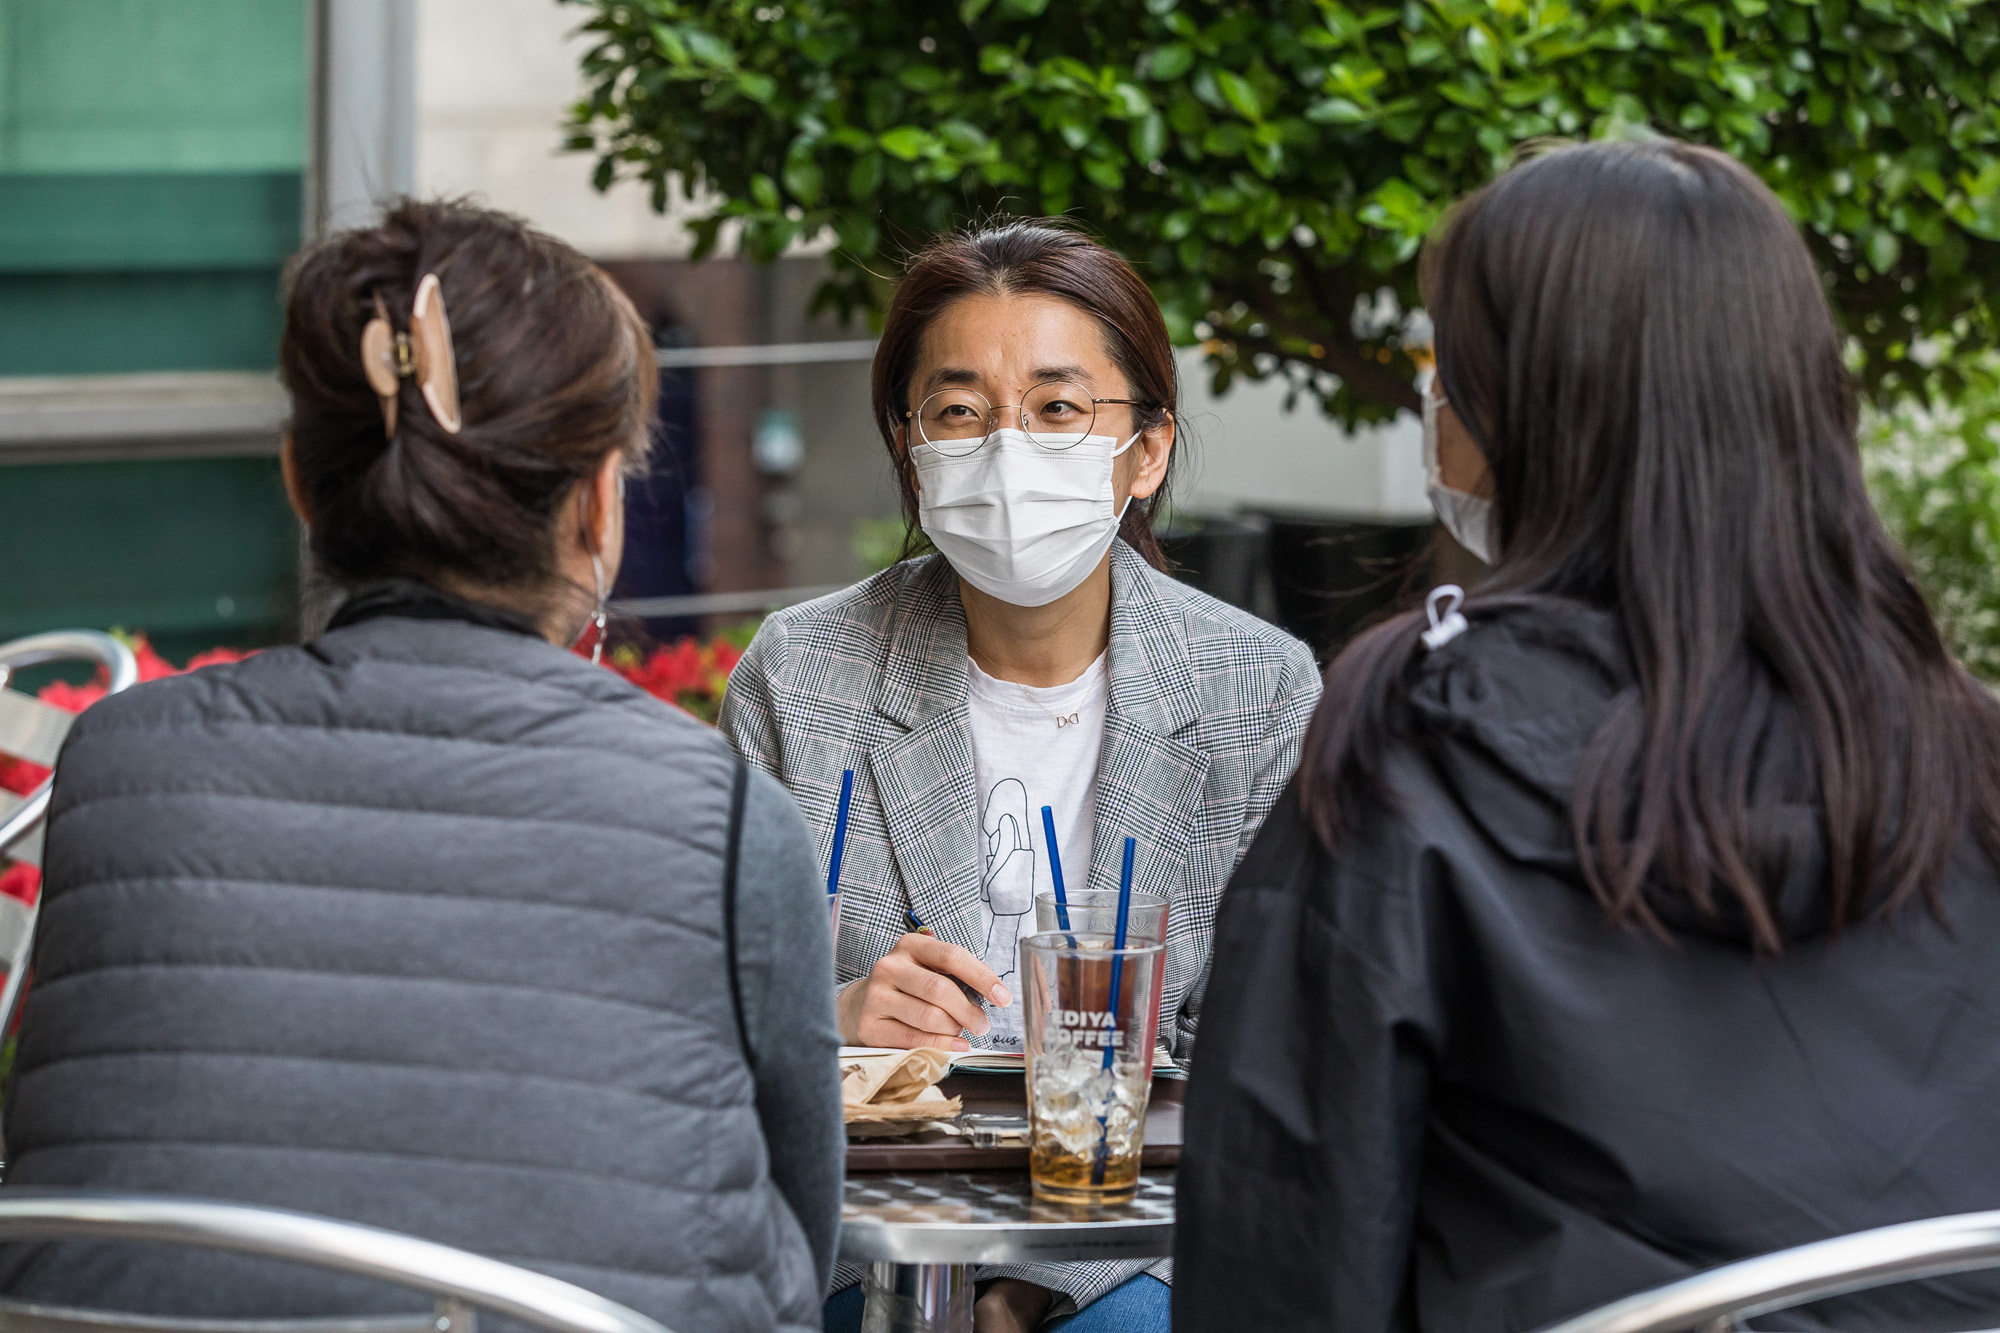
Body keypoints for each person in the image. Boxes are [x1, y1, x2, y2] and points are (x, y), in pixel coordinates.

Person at [1175, 137, 2000, 1331]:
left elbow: (1283, 1244)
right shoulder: (1971, 758)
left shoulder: (1409, 749)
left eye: (1442, 365)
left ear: (1510, 415)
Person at [0, 200, 842, 1333]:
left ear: (301, 481)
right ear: (600, 506)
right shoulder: (721, 810)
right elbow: (799, 1237)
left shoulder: (118, 758)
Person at [721, 221, 1320, 1332]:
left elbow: (1268, 1071)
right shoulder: (802, 676)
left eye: (1055, 408)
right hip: (860, 1239)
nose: (1005, 449)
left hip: (1136, 1249)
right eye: (958, 411)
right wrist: (837, 1017)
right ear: (910, 450)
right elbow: (711, 1015)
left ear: (1144, 451)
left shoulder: (1257, 690)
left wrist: (1031, 1290)